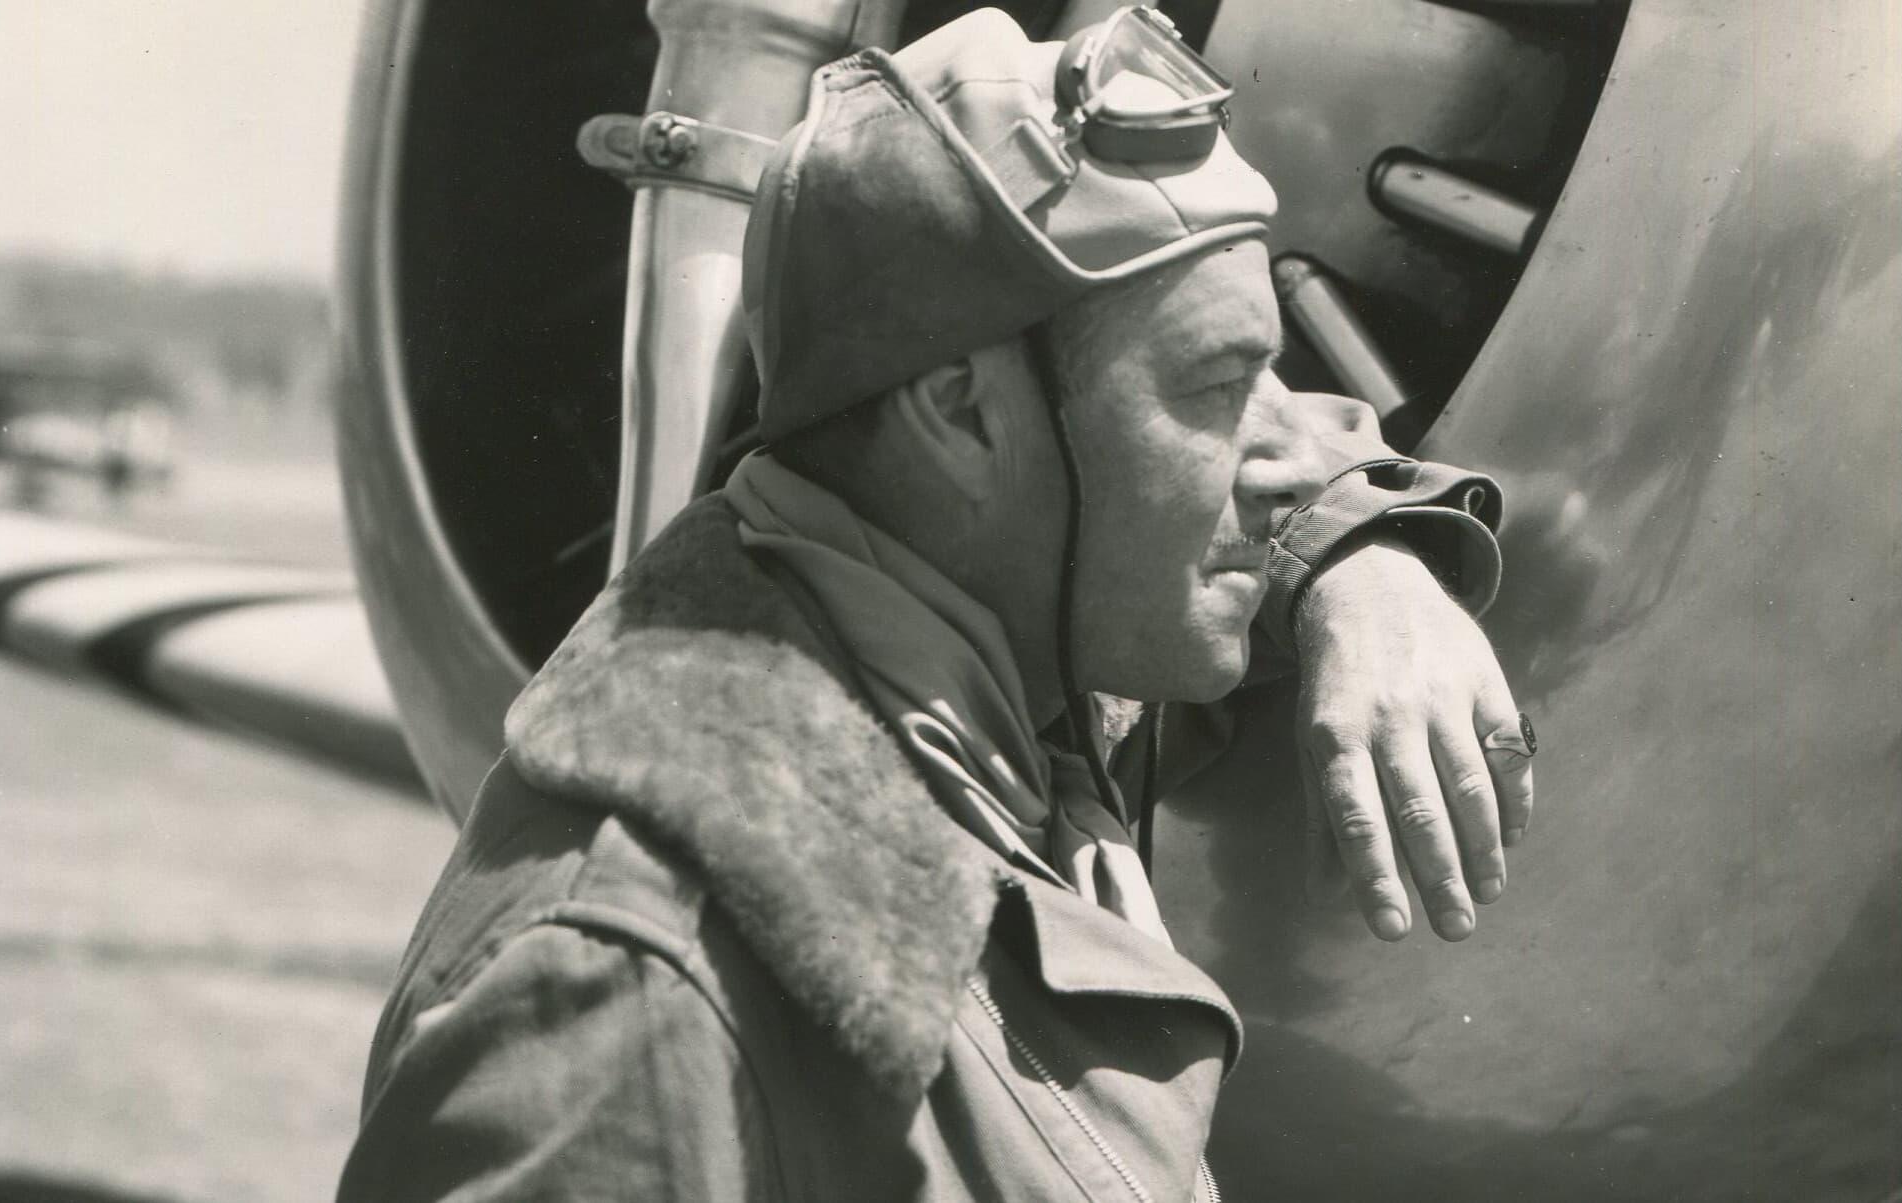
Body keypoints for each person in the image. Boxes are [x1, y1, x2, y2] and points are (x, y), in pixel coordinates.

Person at [339, 8, 1536, 1200]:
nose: (1275, 456)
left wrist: (1362, 564)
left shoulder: (1001, 671)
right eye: (1218, 386)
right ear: (963, 415)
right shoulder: (628, 992)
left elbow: (1252, 464)